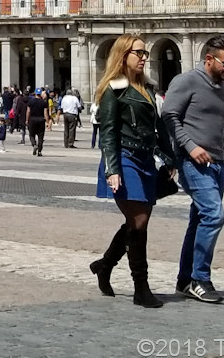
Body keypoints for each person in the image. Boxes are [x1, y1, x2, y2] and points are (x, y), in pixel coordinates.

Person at [89, 35, 176, 309]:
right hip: (124, 159)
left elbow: (158, 128)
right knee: (138, 221)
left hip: (145, 161)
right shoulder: (114, 89)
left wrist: (169, 158)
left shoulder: (147, 89)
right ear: (123, 54)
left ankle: (105, 265)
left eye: (146, 53)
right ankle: (141, 287)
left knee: (136, 222)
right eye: (138, 52)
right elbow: (108, 132)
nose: (143, 57)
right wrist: (112, 169)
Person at [162, 33, 224, 304]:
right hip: (193, 161)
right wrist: (190, 146)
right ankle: (200, 278)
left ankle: (185, 280)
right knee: (214, 216)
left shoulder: (222, 88)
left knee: (199, 220)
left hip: (218, 162)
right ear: (209, 59)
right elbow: (169, 115)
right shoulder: (186, 81)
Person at [25, 87, 49, 156]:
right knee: (40, 136)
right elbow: (45, 113)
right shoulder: (43, 102)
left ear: (35, 93)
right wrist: (47, 122)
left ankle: (34, 145)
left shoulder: (30, 101)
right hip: (41, 120)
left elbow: (28, 111)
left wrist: (27, 120)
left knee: (31, 134)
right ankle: (39, 151)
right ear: (40, 94)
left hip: (32, 119)